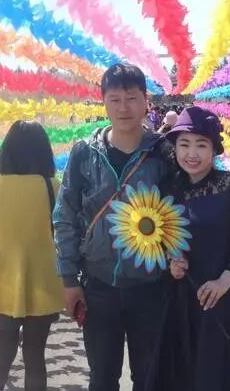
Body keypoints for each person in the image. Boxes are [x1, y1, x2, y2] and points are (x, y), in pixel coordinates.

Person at [53, 63, 174, 391]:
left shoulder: (163, 153)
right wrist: (69, 279)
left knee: (150, 378)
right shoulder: (85, 153)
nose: (124, 108)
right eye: (115, 99)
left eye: (132, 98)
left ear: (146, 101)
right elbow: (65, 217)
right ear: (103, 102)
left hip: (152, 287)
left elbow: (182, 213)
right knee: (102, 378)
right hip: (99, 286)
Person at [146, 106, 230, 391]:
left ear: (213, 149)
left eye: (201, 145)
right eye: (184, 144)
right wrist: (171, 262)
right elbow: (162, 238)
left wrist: (225, 280)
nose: (192, 153)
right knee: (180, 376)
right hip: (183, 299)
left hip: (228, 298)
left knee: (219, 376)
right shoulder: (167, 190)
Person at [0, 120, 64, 391]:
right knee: (35, 356)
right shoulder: (52, 186)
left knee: (2, 354)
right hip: (42, 278)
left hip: (1, 277)